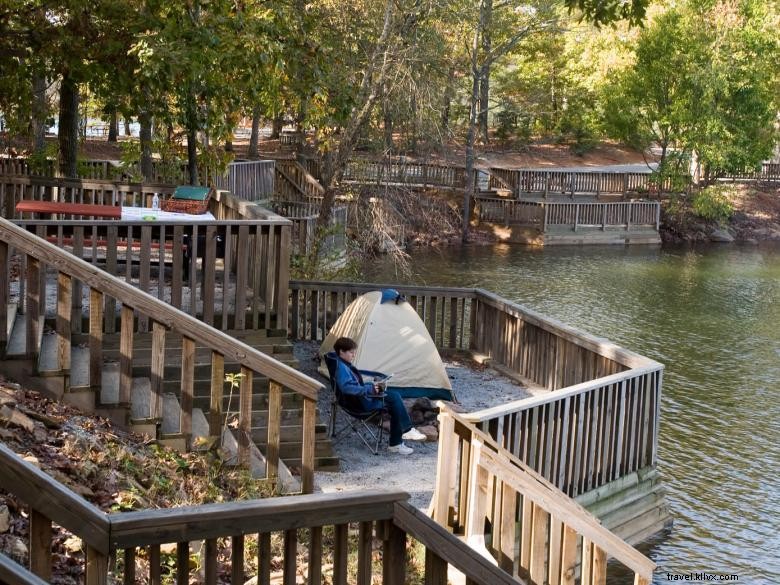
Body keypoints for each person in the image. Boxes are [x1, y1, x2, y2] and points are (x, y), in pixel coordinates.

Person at [327, 337, 426, 455]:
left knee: (394, 398)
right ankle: (399, 439)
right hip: (358, 404)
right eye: (351, 352)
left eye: (354, 352)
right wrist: (370, 389)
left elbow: (352, 385)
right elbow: (347, 388)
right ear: (341, 351)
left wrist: (372, 386)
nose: (353, 355)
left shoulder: (340, 362)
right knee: (394, 400)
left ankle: (400, 437)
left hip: (357, 398)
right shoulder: (341, 368)